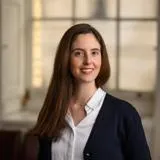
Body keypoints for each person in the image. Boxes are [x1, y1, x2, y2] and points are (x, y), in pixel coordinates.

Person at [31, 23, 151, 160]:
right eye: (78, 53)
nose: (88, 61)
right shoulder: (51, 112)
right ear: (66, 59)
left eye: (94, 53)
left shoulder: (125, 115)